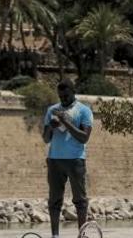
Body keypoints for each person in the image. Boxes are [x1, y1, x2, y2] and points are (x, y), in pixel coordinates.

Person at [42, 80, 93, 238]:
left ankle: (82, 234)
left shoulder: (84, 111)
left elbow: (84, 138)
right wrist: (50, 127)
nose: (63, 99)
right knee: (54, 200)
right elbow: (45, 139)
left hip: (75, 160)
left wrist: (65, 122)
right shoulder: (52, 110)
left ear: (73, 92)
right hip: (54, 160)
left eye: (66, 96)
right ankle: (55, 235)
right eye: (60, 96)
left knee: (80, 200)